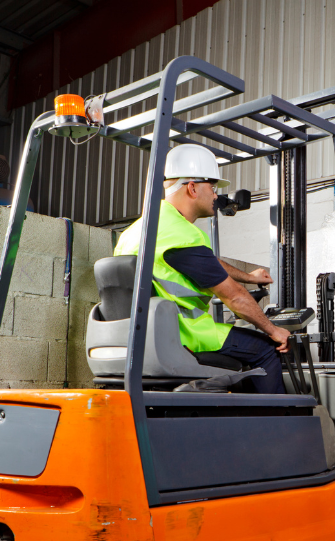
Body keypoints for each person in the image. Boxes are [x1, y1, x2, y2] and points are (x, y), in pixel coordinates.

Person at [114, 144, 289, 394]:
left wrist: (249, 277)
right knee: (266, 349)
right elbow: (235, 297)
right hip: (184, 335)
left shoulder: (137, 231)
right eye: (212, 187)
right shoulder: (183, 236)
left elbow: (210, 264)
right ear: (192, 187)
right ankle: (276, 429)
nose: (216, 196)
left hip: (142, 339)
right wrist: (274, 330)